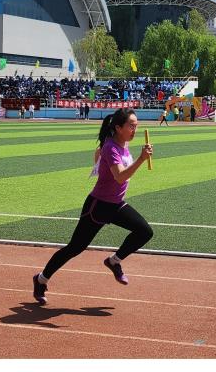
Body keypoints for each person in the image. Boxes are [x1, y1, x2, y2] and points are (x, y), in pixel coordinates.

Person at [32, 108, 154, 305]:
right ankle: (41, 279)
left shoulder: (122, 144)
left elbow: (101, 158)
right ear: (118, 127)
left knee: (144, 231)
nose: (135, 130)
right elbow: (120, 176)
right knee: (75, 248)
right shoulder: (111, 147)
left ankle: (114, 261)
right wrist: (141, 159)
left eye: (136, 126)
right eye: (131, 126)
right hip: (98, 207)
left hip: (116, 205)